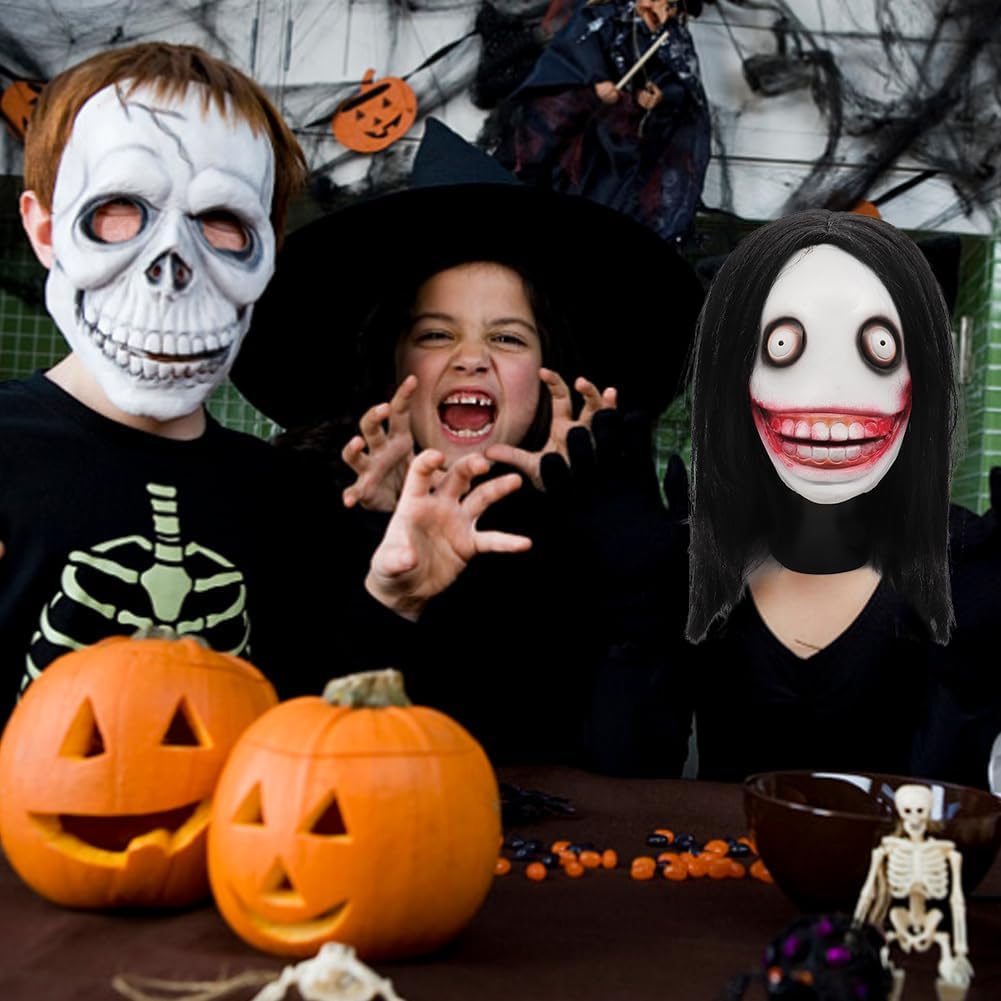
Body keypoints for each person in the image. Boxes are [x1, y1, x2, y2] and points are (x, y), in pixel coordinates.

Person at [0, 44, 529, 715]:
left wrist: (392, 598)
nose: (172, 269)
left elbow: (314, 733)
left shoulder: (281, 496)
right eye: (121, 210)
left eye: (222, 223)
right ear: (46, 231)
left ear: (268, 251)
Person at [232, 118, 703, 771]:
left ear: (547, 373)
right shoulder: (300, 506)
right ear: (393, 364)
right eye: (436, 334)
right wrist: (381, 570)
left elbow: (637, 770)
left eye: (507, 338)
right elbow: (292, 767)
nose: (472, 358)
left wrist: (634, 584)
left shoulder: (594, 526)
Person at [682, 210, 1001, 784]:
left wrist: (969, 679)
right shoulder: (696, 557)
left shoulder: (964, 561)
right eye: (784, 342)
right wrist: (631, 623)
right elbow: (628, 763)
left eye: (877, 344)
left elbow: (955, 803)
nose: (830, 385)